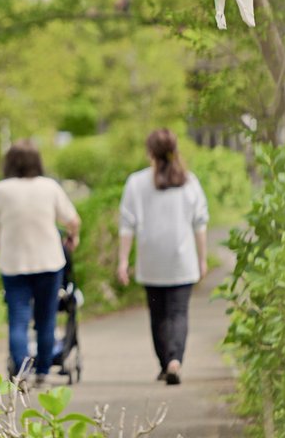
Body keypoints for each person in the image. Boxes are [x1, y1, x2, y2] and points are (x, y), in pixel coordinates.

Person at [117, 128, 209, 385]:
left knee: (157, 314)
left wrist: (123, 260)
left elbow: (127, 225)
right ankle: (175, 360)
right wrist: (203, 259)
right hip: (182, 260)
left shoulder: (136, 182)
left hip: (151, 263)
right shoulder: (189, 181)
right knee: (178, 313)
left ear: (150, 152)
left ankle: (164, 362)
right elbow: (200, 224)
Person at [0, 141, 81, 385]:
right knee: (46, 318)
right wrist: (73, 238)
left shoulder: (0, 190)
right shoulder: (49, 187)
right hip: (49, 262)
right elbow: (73, 220)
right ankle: (42, 372)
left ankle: (22, 372)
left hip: (13, 263)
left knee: (18, 319)